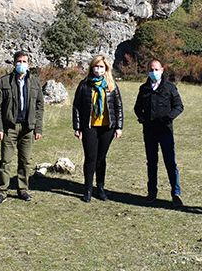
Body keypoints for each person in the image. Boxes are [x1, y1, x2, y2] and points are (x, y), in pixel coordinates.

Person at [0, 50, 44, 205]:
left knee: (25, 161)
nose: (21, 64)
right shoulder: (4, 81)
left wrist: (38, 128)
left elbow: (40, 106)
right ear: (14, 63)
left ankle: (23, 190)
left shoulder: (34, 82)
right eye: (19, 61)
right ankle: (2, 191)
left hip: (28, 127)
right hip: (9, 128)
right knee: (6, 160)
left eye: (24, 62)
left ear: (29, 64)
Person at [72, 55, 124, 202]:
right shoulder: (84, 84)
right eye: (96, 66)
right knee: (90, 158)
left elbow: (118, 106)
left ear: (106, 68)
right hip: (89, 127)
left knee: (101, 159)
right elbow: (76, 106)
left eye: (101, 67)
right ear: (91, 68)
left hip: (107, 127)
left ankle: (100, 188)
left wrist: (119, 127)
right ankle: (87, 189)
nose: (98, 69)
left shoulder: (111, 85)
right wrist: (77, 127)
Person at [134, 59, 184, 208]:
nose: (153, 72)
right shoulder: (143, 89)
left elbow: (179, 106)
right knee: (151, 162)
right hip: (149, 131)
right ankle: (151, 192)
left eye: (156, 69)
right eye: (151, 70)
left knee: (170, 162)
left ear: (162, 70)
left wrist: (168, 118)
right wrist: (142, 118)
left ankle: (176, 193)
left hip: (165, 131)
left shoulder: (169, 88)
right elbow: (137, 108)